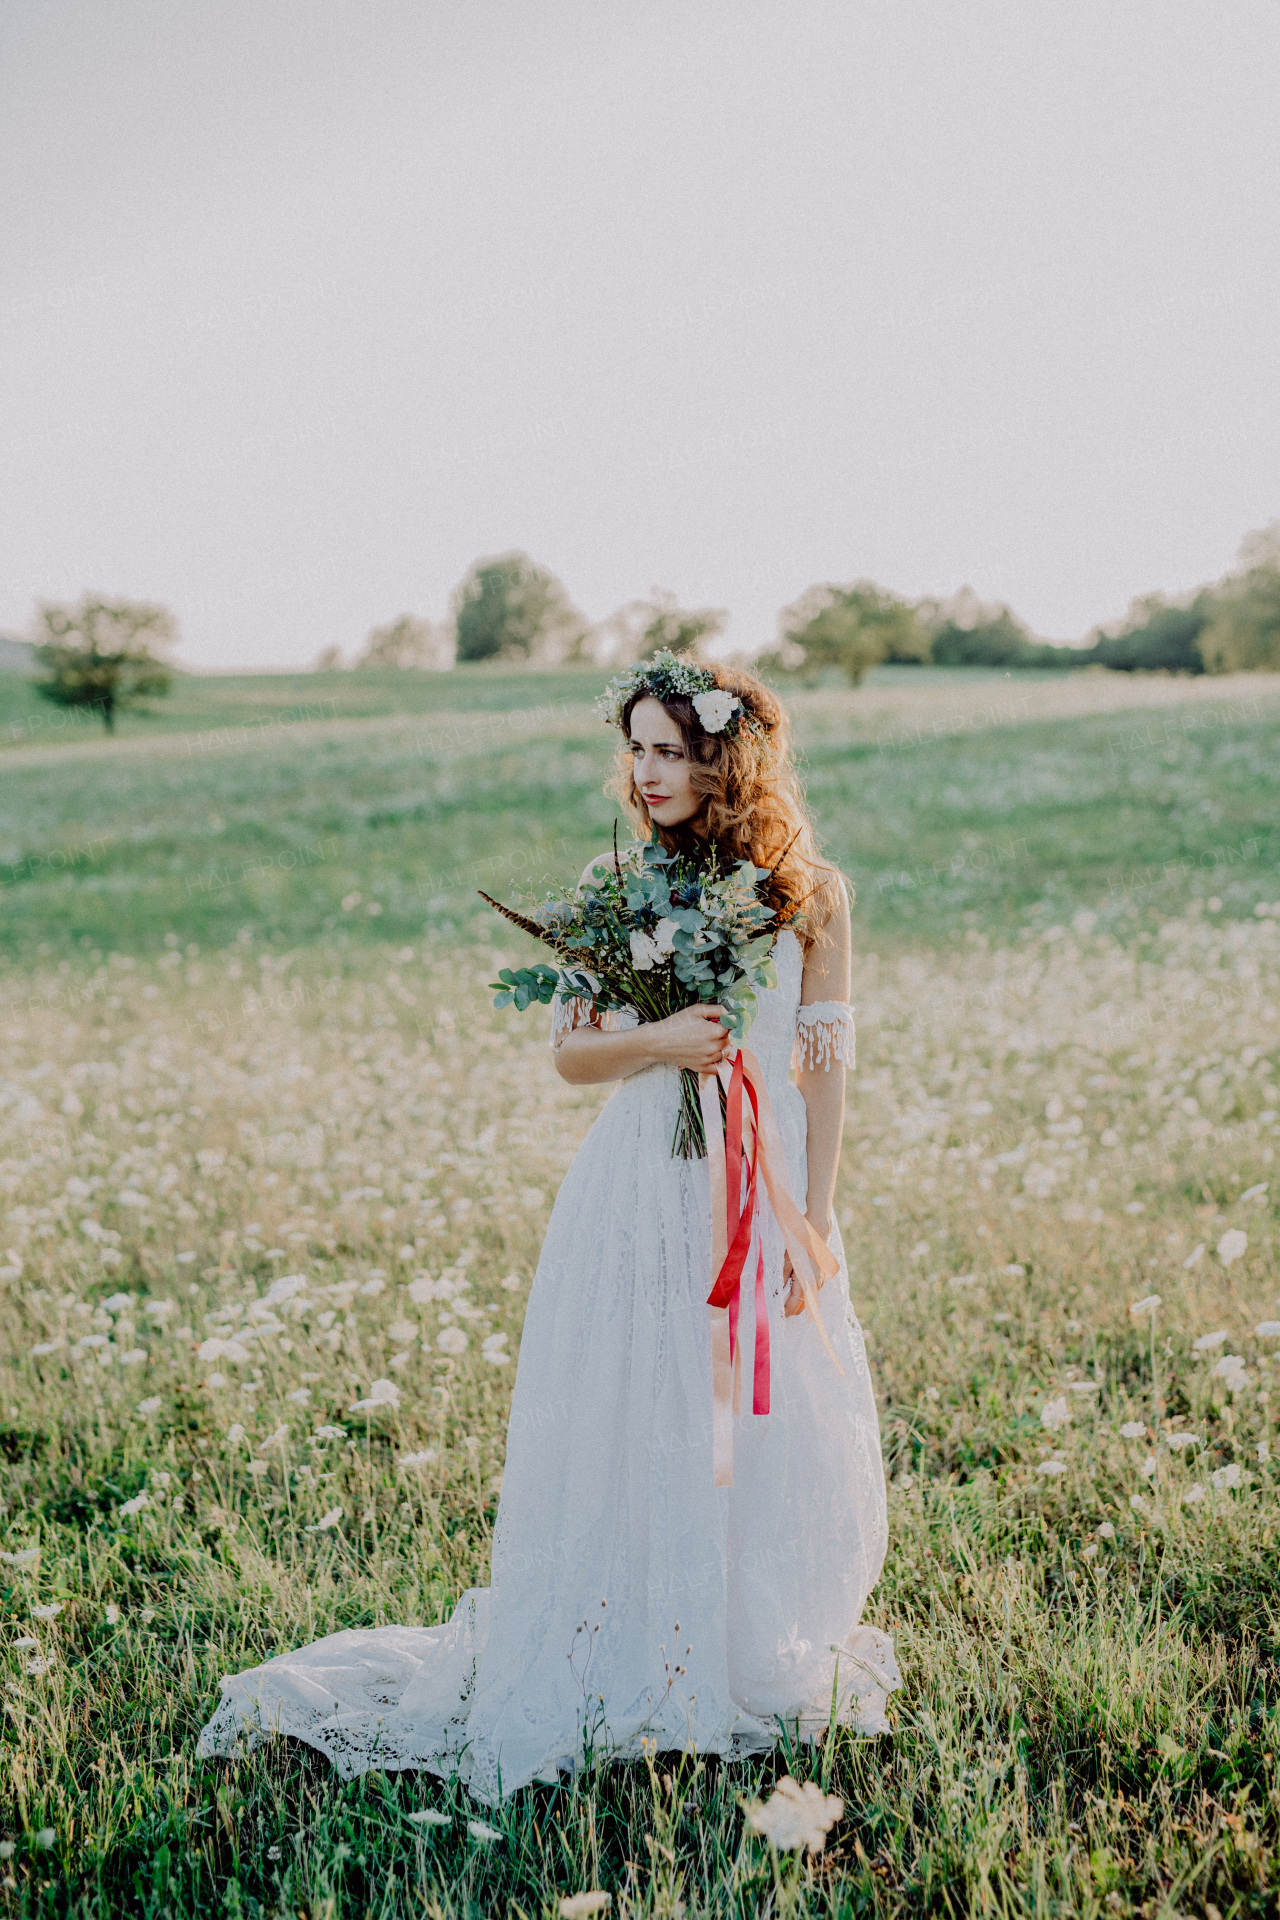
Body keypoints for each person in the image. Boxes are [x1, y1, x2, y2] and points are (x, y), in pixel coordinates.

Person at [198, 653, 899, 1802]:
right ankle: (632, 1649)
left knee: (767, 1416)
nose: (647, 770)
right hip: (642, 1186)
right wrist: (663, 1044)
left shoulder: (811, 892)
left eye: (670, 748)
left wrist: (818, 1216)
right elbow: (572, 1054)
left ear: (726, 754)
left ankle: (729, 1644)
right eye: (635, 747)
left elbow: (823, 1069)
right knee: (645, 1409)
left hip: (759, 1190)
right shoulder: (617, 880)